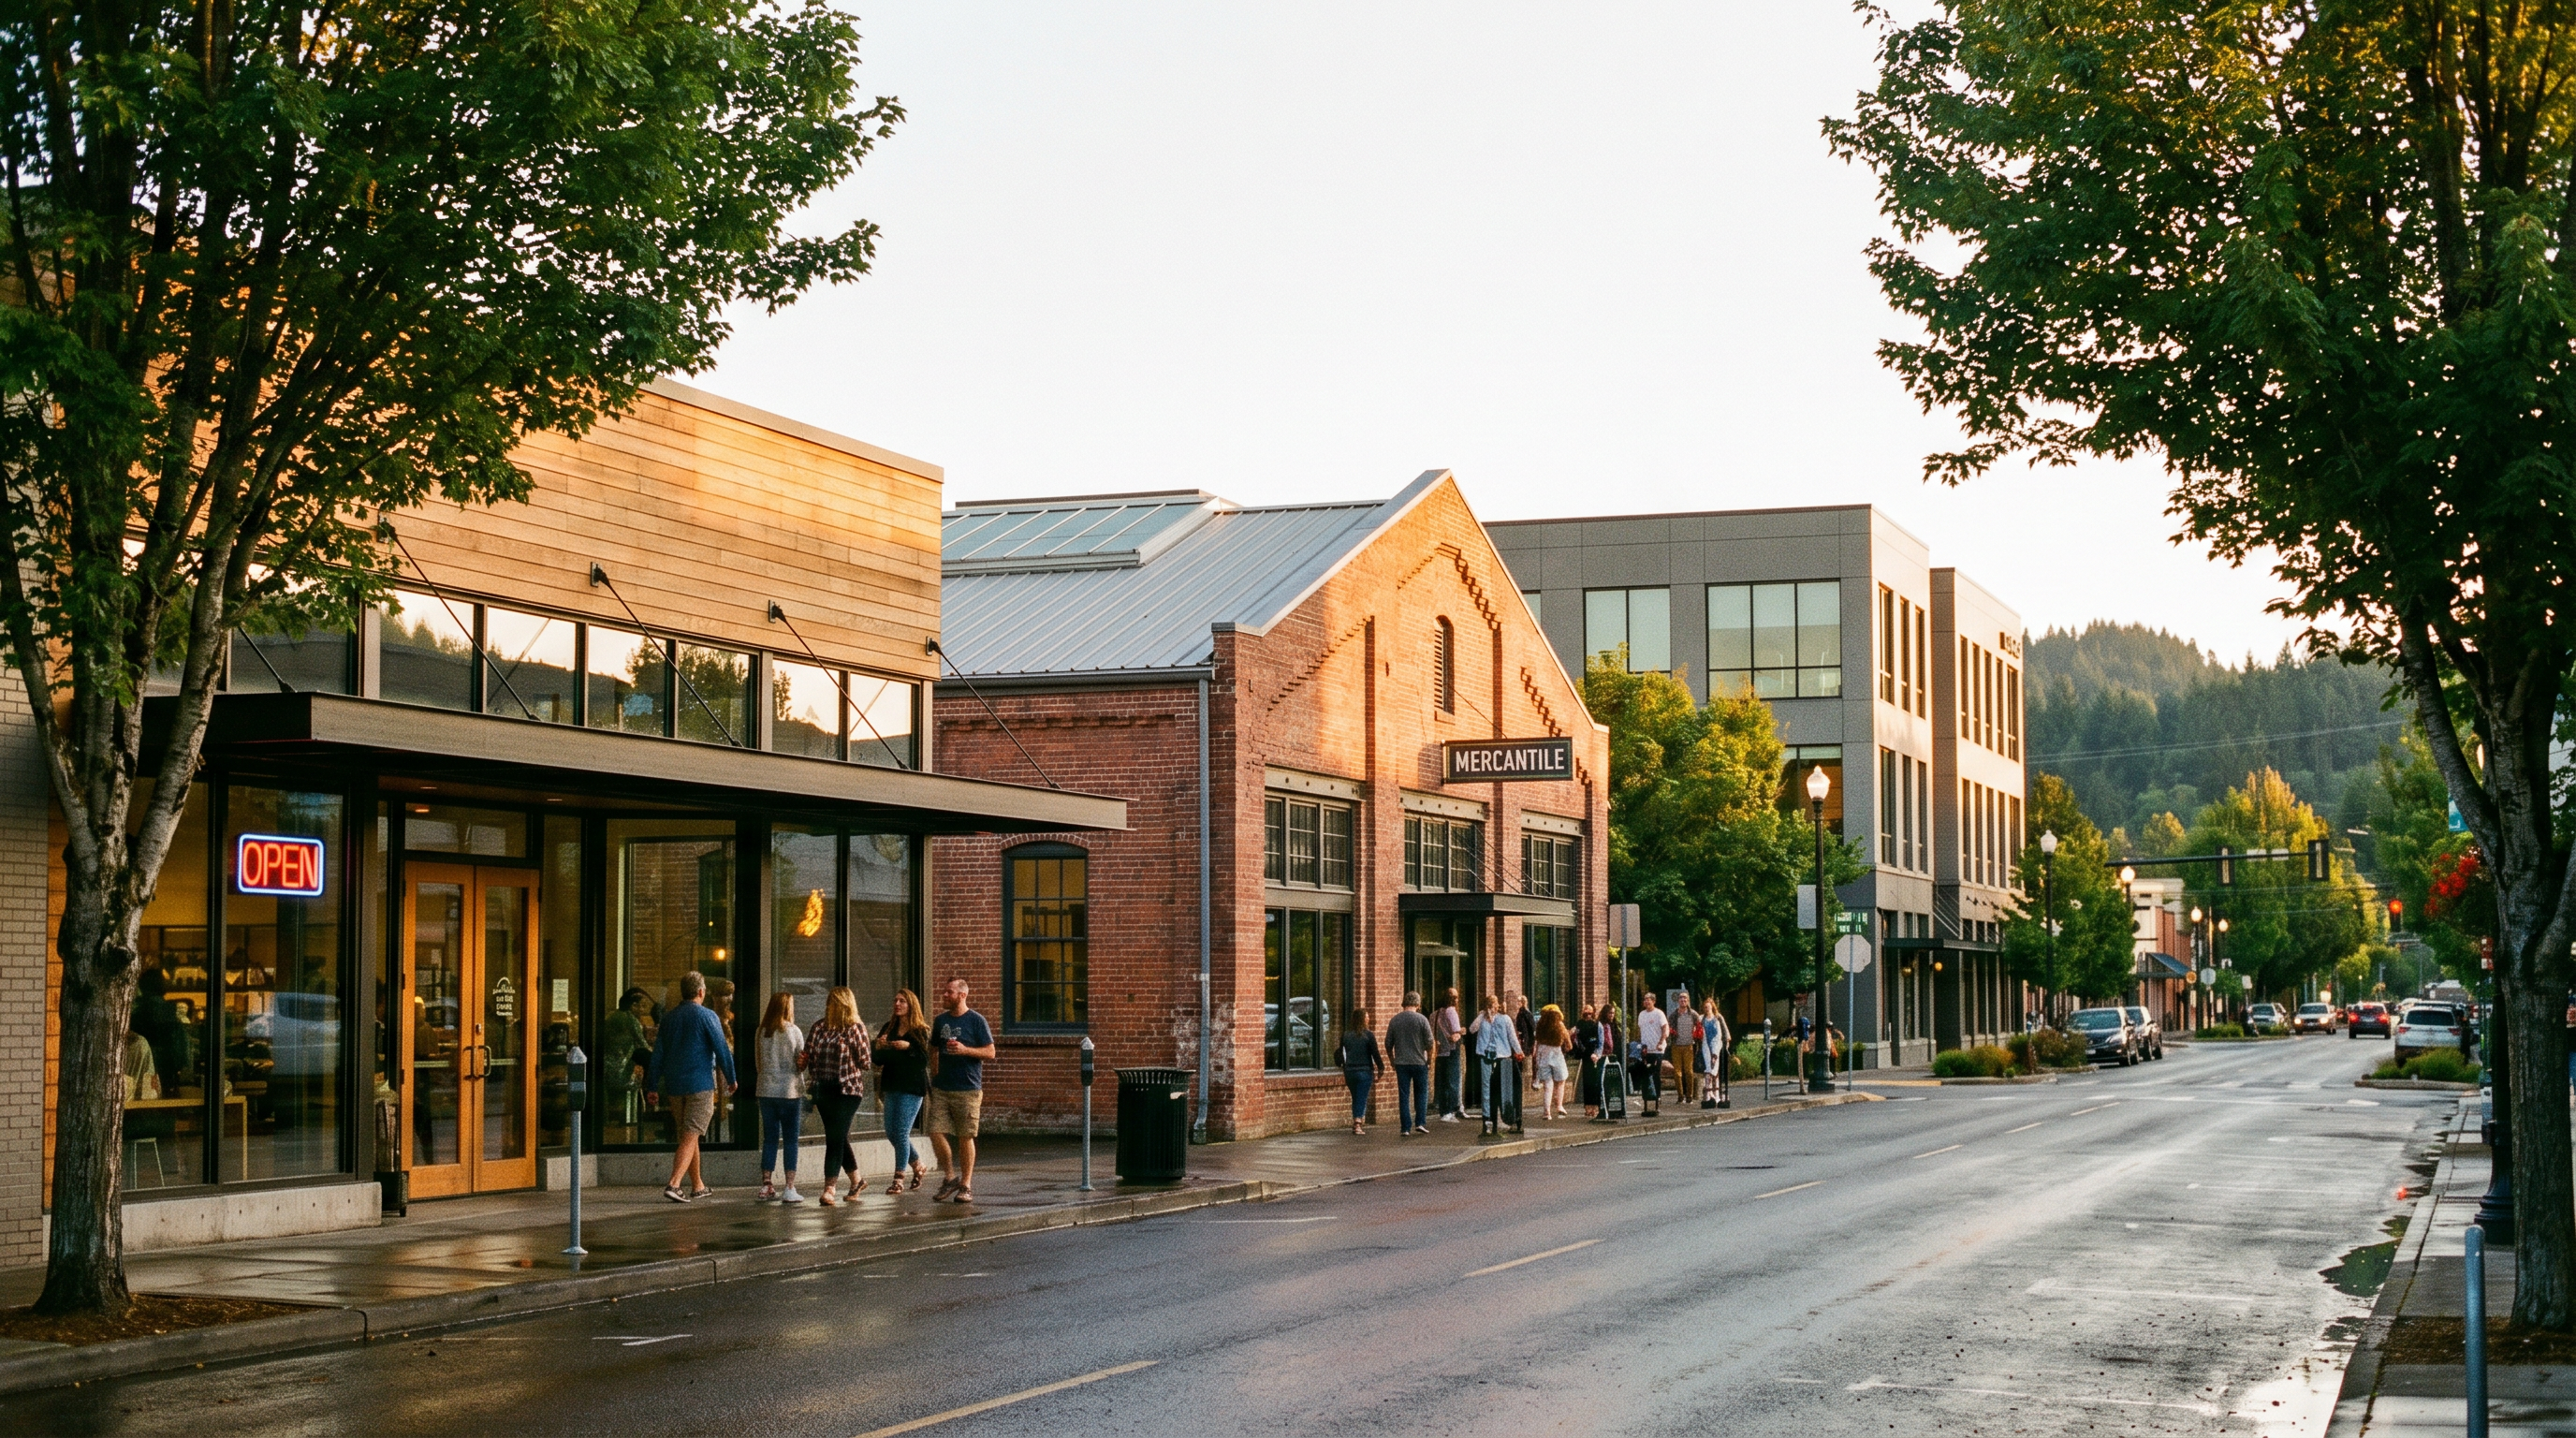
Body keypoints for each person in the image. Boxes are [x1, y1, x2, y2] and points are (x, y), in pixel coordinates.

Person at [647, 970, 736, 1203]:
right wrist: (732, 1078)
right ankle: (674, 1184)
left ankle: (698, 1185)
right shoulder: (707, 1016)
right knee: (690, 1135)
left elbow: (658, 1054)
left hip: (675, 1087)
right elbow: (722, 1049)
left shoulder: (669, 1018)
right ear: (700, 992)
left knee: (688, 1134)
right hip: (700, 1085)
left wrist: (652, 1085)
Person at [927, 977, 995, 1204]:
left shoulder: (976, 1021)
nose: (944, 995)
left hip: (968, 1088)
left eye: (949, 992)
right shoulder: (940, 1021)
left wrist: (965, 1050)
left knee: (965, 1136)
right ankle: (949, 1176)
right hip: (942, 1088)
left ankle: (966, 1184)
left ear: (962, 995)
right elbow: (933, 1048)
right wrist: (935, 1074)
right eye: (944, 992)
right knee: (936, 1131)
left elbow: (990, 1052)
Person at [805, 987, 872, 1205]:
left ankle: (829, 1189)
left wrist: (851, 1048)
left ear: (844, 1005)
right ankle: (857, 1180)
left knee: (834, 1138)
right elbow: (809, 1054)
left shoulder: (855, 1028)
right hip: (823, 1089)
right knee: (838, 1136)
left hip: (848, 1090)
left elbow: (865, 1062)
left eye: (834, 1003)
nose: (829, 1006)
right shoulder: (819, 1027)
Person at [874, 989, 933, 1193]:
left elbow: (924, 1061)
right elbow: (877, 1060)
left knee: (901, 1132)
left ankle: (899, 1178)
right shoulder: (888, 1028)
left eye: (902, 1001)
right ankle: (918, 1165)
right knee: (892, 1133)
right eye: (895, 1000)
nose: (897, 1004)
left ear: (911, 1005)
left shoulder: (920, 1031)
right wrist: (879, 1047)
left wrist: (908, 1047)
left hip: (911, 1087)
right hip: (892, 1085)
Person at [754, 991, 808, 1203]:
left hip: (766, 1090)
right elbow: (800, 1063)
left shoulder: (761, 1031)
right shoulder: (793, 1031)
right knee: (791, 1139)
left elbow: (758, 1063)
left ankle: (766, 1184)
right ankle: (789, 1187)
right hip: (789, 1091)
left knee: (769, 1138)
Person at [1473, 994, 1525, 1137]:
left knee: (1503, 1090)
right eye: (1490, 1005)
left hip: (1502, 1058)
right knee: (1486, 1089)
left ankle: (1505, 1118)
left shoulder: (1505, 1019)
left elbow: (1512, 1037)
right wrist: (1482, 1015)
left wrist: (1519, 1052)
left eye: (1494, 1005)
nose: (1493, 1008)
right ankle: (1487, 1122)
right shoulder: (1482, 1018)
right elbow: (1472, 1029)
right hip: (1486, 1056)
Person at [1385, 991, 1434, 1136]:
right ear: (1418, 1005)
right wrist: (1429, 1060)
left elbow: (1388, 1043)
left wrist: (1392, 1061)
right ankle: (1420, 1122)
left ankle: (1405, 1127)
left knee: (1404, 1095)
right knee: (1421, 1093)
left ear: (1403, 1004)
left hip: (1401, 1063)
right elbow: (1430, 1043)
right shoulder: (1422, 1020)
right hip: (1419, 1062)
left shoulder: (1395, 1020)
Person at [1337, 1008, 1384, 1135]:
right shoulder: (1368, 1035)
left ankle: (1357, 1120)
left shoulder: (1346, 1035)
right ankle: (1357, 1124)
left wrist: (1344, 1066)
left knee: (1356, 1097)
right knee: (1361, 1097)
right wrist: (1381, 1068)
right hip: (1364, 1071)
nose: (1368, 1019)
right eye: (1366, 1017)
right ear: (1362, 1020)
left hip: (1350, 1071)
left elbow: (1341, 1054)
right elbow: (1375, 1053)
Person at [1532, 1004, 1571, 1120]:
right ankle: (1559, 1106)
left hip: (1543, 1055)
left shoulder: (1540, 1026)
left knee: (1547, 1085)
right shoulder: (1560, 1025)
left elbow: (1537, 1042)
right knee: (1561, 1081)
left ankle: (1546, 1112)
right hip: (1557, 1055)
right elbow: (1569, 1045)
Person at [1434, 988, 1467, 1122]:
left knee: (1442, 1081)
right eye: (1456, 997)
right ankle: (1451, 1110)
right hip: (1452, 1049)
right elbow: (1456, 1031)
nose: (1458, 1000)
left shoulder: (1435, 1014)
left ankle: (1443, 1110)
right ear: (1452, 999)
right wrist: (1462, 1031)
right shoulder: (1451, 1011)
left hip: (1440, 1051)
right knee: (1453, 1080)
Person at [1635, 991, 1668, 1117]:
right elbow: (1640, 1031)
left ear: (1653, 1001)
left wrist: (1660, 1042)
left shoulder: (1659, 1014)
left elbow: (1665, 1029)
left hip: (1657, 1050)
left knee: (1655, 1074)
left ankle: (1657, 1097)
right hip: (1646, 1050)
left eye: (1649, 1000)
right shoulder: (1642, 1015)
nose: (1646, 1002)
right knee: (1645, 1075)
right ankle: (1646, 1099)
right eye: (1645, 1000)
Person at [1572, 1003, 1603, 1118]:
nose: (1588, 1015)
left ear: (1593, 1013)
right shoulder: (1579, 1024)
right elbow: (1576, 1038)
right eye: (1586, 1012)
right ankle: (1587, 1106)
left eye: (1590, 1013)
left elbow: (1601, 1042)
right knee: (1587, 1082)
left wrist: (1597, 1054)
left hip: (1594, 1056)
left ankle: (1595, 1107)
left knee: (1595, 1082)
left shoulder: (1597, 1024)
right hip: (1585, 1056)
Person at [1700, 997, 1732, 1108]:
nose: (1707, 1009)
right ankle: (1710, 1093)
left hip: (1716, 1044)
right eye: (1705, 1007)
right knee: (1710, 1069)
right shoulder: (1701, 1018)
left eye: (1709, 1007)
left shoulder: (1718, 1017)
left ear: (1712, 1007)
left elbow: (1725, 1030)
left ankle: (1714, 1093)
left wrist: (1726, 1042)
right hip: (1705, 1045)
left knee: (1713, 1068)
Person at [1669, 994, 1699, 1106]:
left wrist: (1697, 1036)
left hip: (1689, 1046)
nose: (1683, 1000)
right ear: (1678, 1001)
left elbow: (1700, 1025)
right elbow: (1669, 1027)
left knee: (1689, 1071)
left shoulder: (1693, 1014)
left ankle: (1689, 1096)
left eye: (1685, 999)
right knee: (1677, 1073)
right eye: (1681, 999)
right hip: (1676, 1045)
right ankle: (1680, 1096)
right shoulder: (1673, 1015)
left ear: (1688, 1001)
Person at [1513, 992, 1538, 1092]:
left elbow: (1532, 1028)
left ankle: (1530, 1083)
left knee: (1526, 1063)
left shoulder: (1524, 1013)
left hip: (1526, 1042)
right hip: (1526, 1041)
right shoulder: (1522, 1013)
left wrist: (1531, 1043)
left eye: (1518, 1001)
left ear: (1522, 1003)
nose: (1516, 1003)